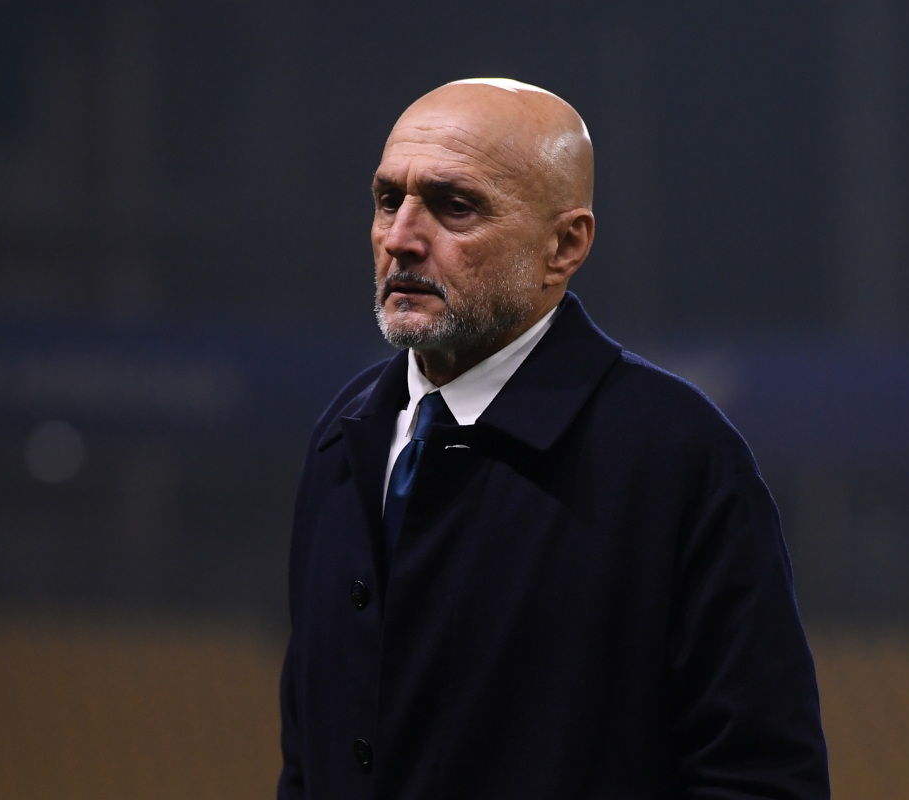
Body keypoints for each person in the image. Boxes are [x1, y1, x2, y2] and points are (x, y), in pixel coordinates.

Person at [279, 78, 829, 800]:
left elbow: (759, 779)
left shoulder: (676, 455)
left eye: (455, 206)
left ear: (564, 245)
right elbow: (311, 758)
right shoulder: (343, 438)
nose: (402, 239)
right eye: (390, 200)